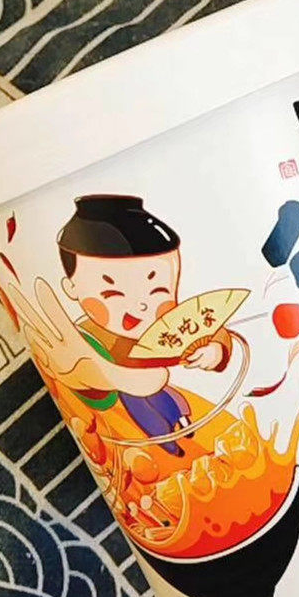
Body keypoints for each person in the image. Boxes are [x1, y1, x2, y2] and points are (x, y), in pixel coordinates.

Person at [53, 195, 231, 456]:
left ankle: (181, 422)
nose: (140, 305)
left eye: (157, 290)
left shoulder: (171, 325)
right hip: (127, 421)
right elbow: (81, 381)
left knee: (169, 402)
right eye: (113, 293)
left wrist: (215, 350)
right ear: (71, 288)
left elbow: (209, 326)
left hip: (173, 399)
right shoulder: (87, 337)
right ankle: (168, 440)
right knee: (144, 410)